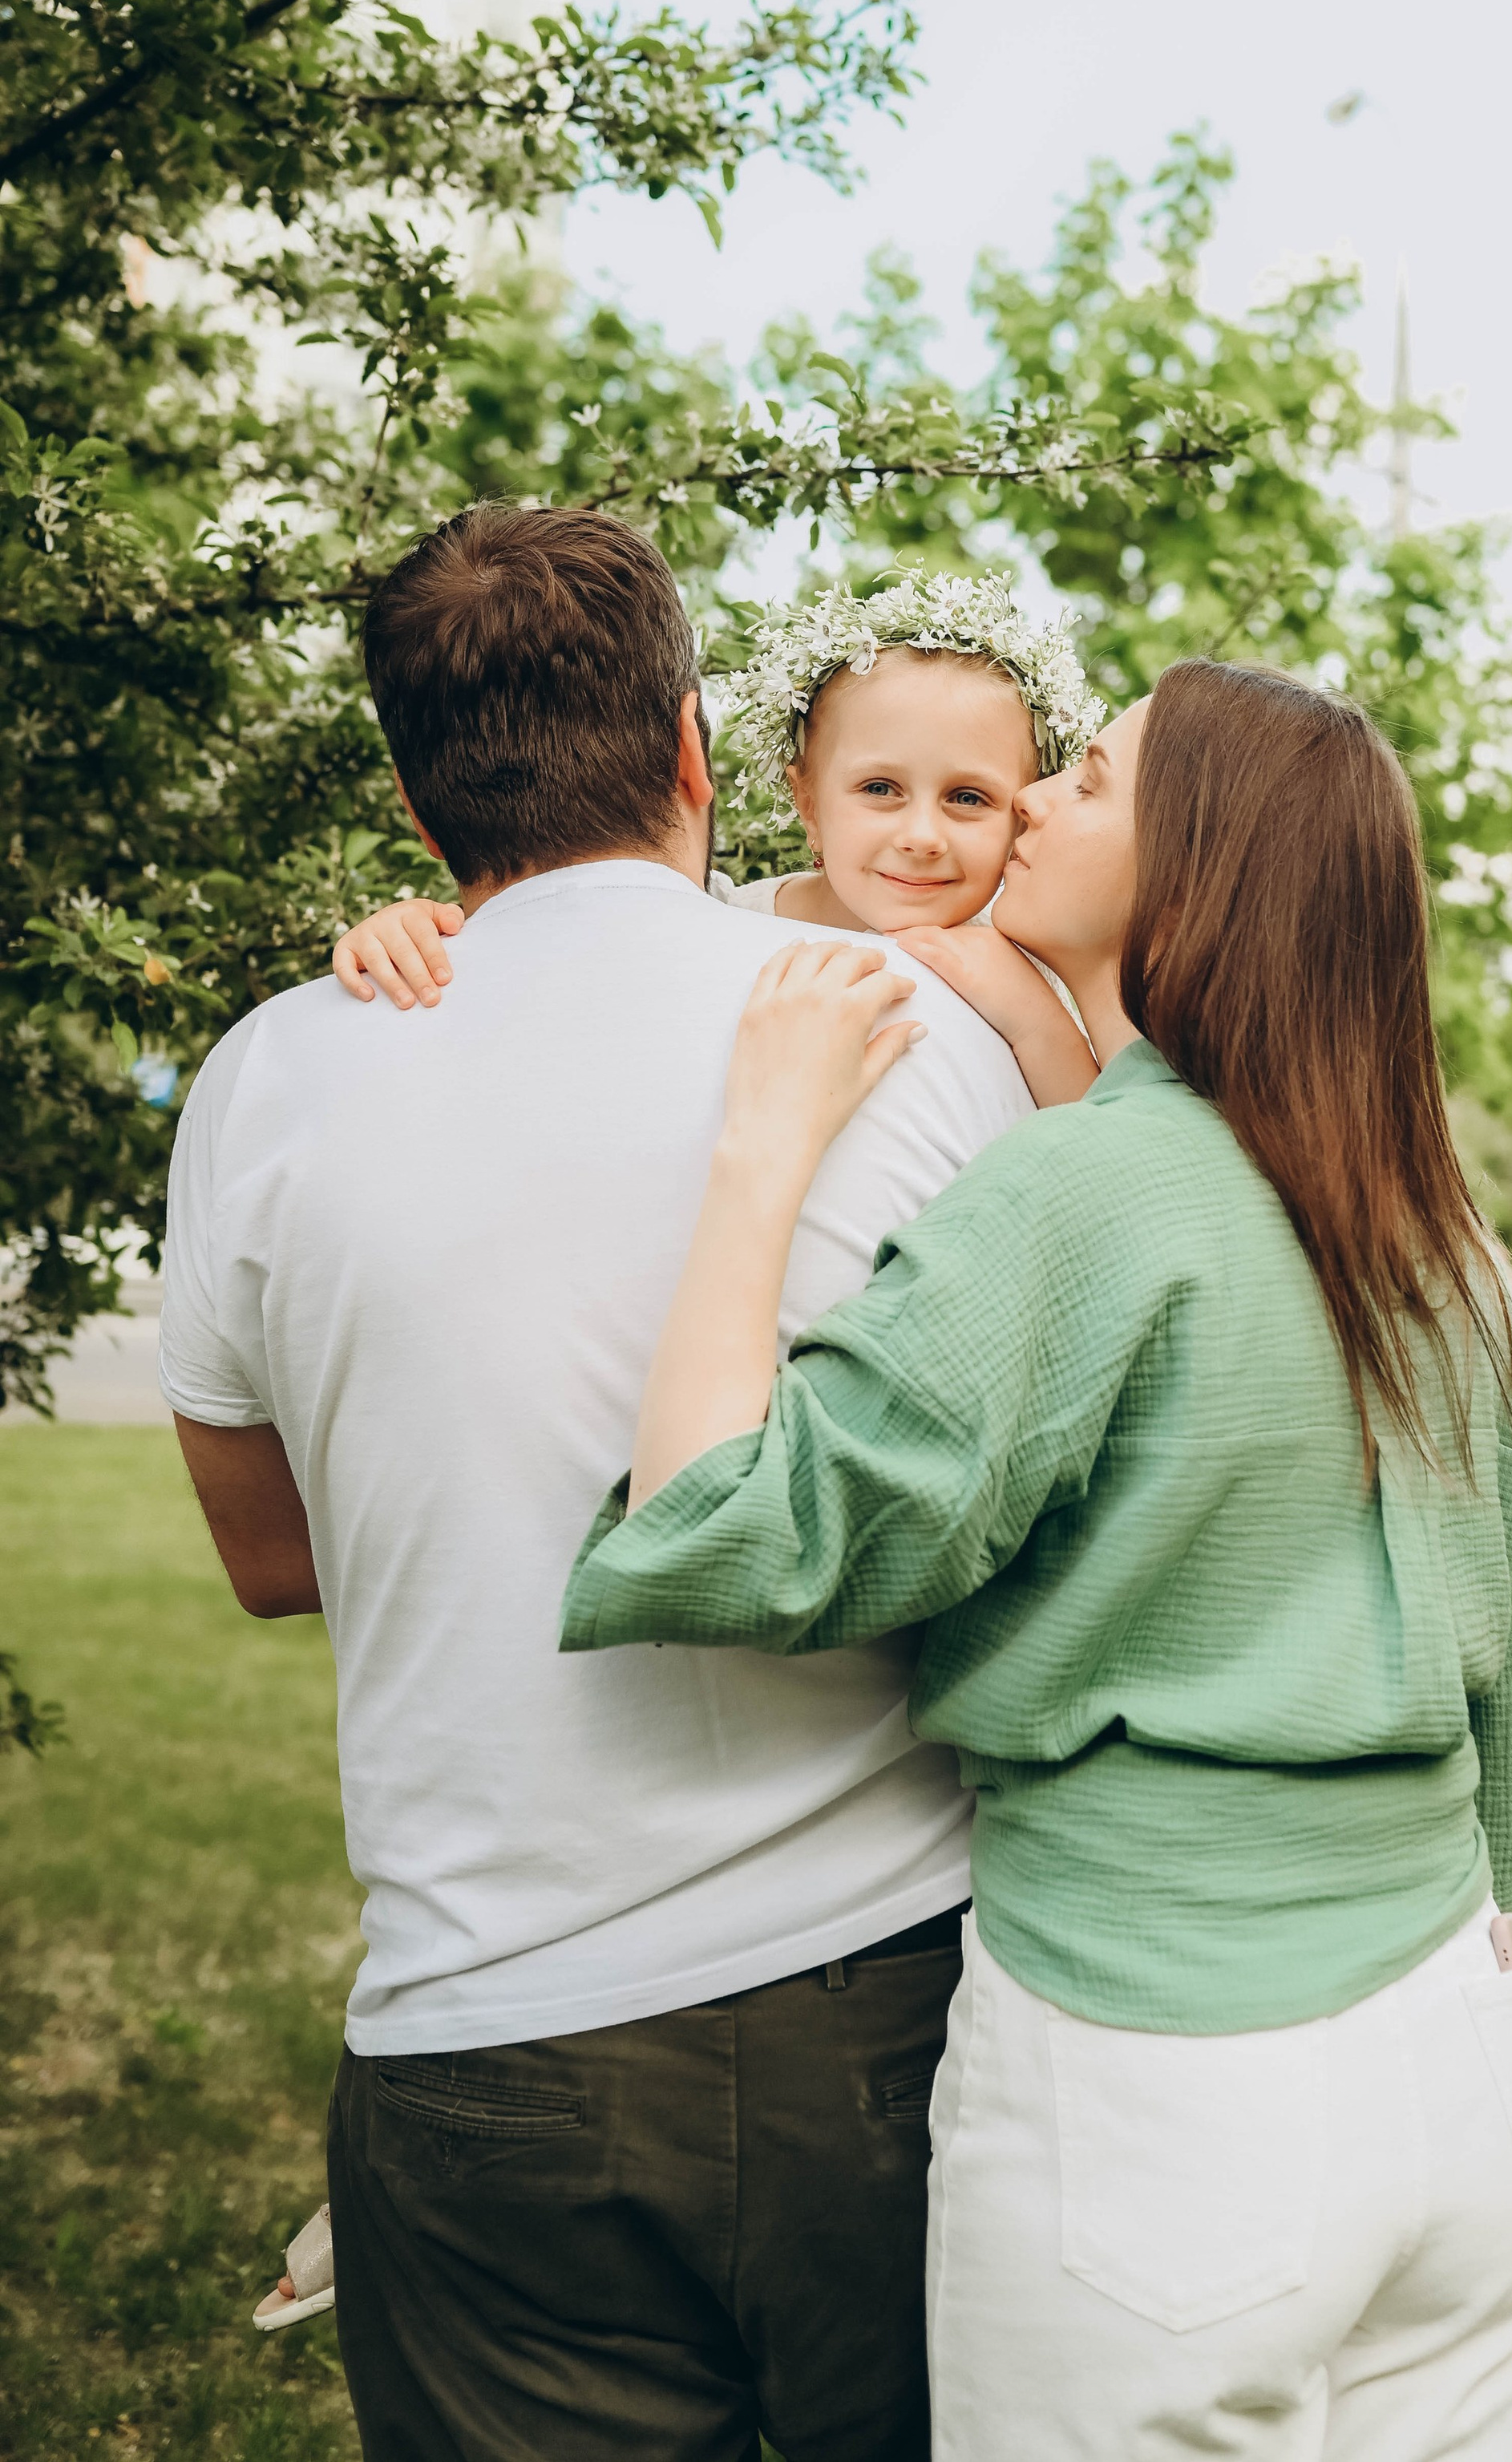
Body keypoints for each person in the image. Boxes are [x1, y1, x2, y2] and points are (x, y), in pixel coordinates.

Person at [561, 658, 1512, 2462]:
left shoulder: (1082, 1201)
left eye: (1087, 781)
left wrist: (764, 1145)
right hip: (1468, 2073)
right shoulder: (1424, 1222)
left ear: (1193, 869)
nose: (1025, 800)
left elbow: (721, 1526)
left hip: (1165, 2098)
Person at [157, 504, 1043, 2462]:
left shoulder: (270, 1080)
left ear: (411, 791)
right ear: (701, 747)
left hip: (485, 2025)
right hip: (880, 2009)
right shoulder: (919, 1038)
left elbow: (268, 1550)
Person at [337, 565, 1104, 1107]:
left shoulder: (1028, 957)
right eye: (879, 789)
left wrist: (1033, 1017)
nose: (922, 834)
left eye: (968, 798)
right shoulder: (724, 913)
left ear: (1023, 811)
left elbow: (1104, 1145)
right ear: (805, 797)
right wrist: (423, 930)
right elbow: (571, 961)